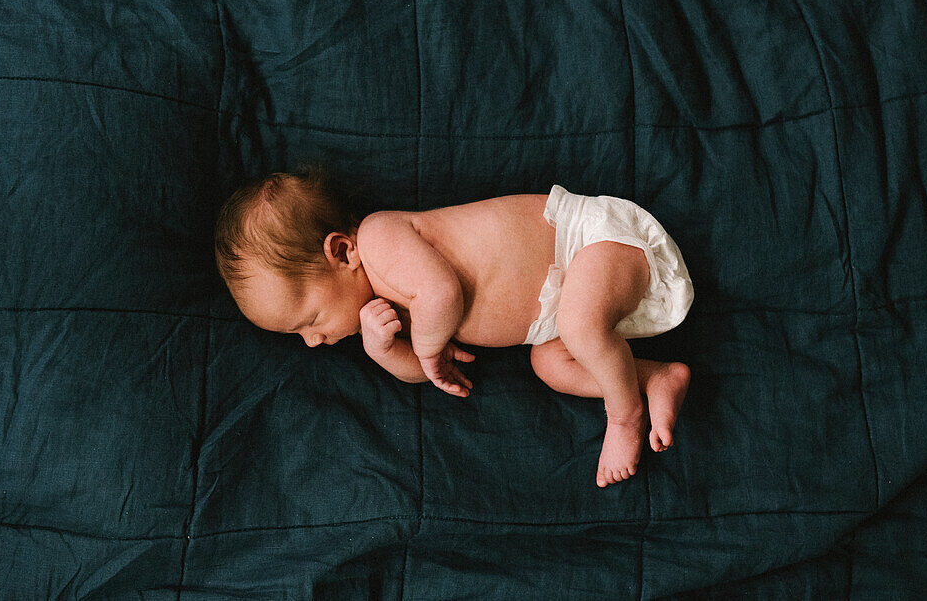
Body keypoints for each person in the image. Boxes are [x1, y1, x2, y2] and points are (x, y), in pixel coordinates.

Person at [214, 165, 694, 488]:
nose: (313, 341)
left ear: (342, 252)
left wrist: (426, 347)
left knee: (579, 324)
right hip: (557, 310)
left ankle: (624, 415)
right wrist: (387, 353)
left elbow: (443, 293)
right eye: (301, 336)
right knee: (550, 362)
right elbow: (425, 370)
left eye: (310, 320)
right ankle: (652, 377)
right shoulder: (381, 313)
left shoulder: (381, 239)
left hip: (589, 245)